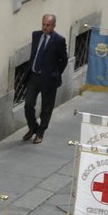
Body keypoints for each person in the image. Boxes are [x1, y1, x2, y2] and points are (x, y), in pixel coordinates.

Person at [22, 14, 68, 145]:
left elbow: (63, 59)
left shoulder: (59, 40)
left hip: (48, 79)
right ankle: (33, 127)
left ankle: (41, 132)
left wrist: (56, 73)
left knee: (46, 108)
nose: (44, 27)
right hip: (34, 76)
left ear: (53, 26)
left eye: (48, 25)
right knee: (28, 105)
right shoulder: (36, 35)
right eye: (43, 24)